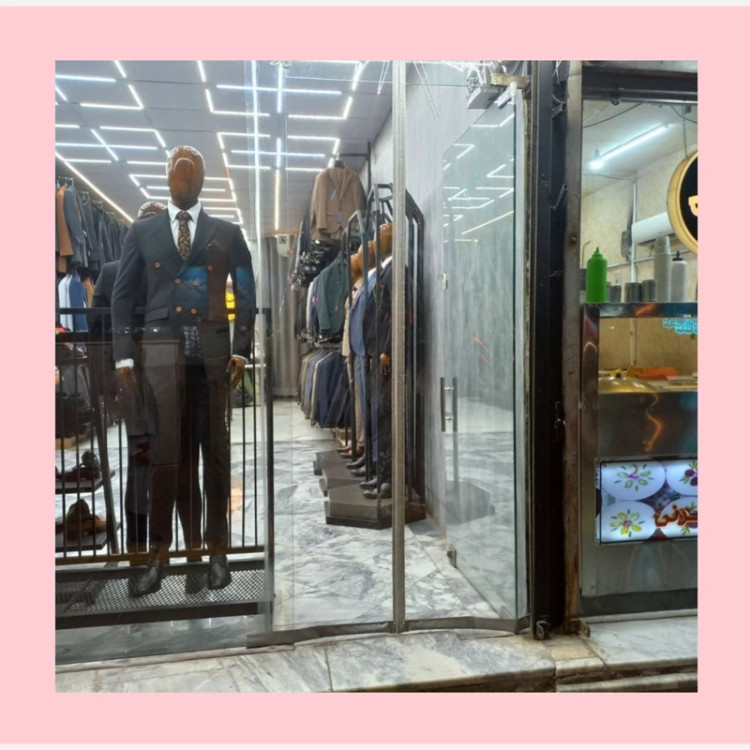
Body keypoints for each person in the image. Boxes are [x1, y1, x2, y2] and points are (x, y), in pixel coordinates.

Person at [112, 146, 256, 596]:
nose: (185, 177)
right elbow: (122, 297)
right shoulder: (142, 231)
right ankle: (159, 555)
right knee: (166, 458)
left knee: (215, 454)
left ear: (203, 180)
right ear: (167, 176)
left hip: (210, 354)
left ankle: (217, 553)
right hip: (161, 353)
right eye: (178, 170)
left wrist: (242, 349)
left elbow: (246, 290)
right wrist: (123, 354)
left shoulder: (226, 232)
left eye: (192, 171)